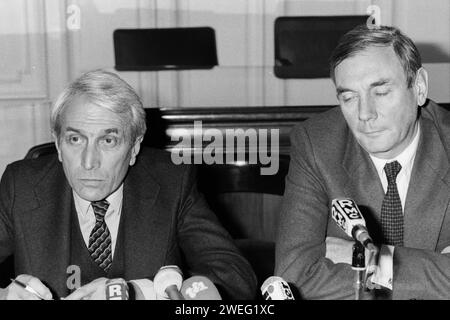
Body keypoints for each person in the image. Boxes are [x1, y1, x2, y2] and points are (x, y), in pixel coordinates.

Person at [0, 69, 257, 300]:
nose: (89, 162)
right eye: (75, 139)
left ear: (134, 147)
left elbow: (235, 278)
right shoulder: (20, 186)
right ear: (57, 144)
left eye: (108, 141)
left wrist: (138, 293)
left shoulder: (171, 181)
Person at [275, 24, 450, 299]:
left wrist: (376, 260)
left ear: (419, 87)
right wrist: (435, 270)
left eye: (380, 92)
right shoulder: (316, 144)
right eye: (349, 97)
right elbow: (295, 276)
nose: (364, 113)